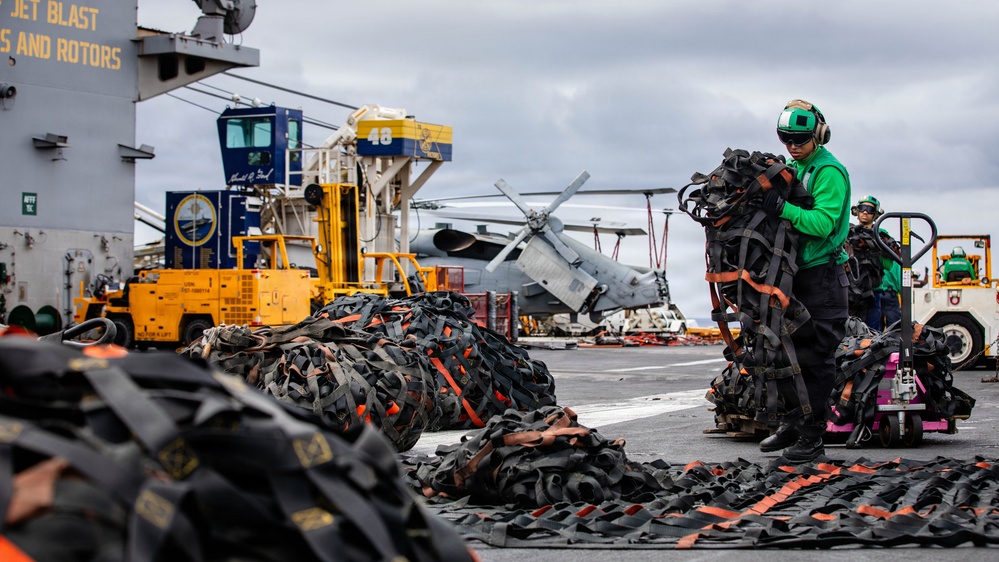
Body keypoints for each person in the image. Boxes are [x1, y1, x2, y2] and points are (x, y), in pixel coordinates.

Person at [757, 99, 851, 462]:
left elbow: (823, 224)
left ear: (819, 135)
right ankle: (795, 421)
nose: (792, 147)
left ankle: (812, 438)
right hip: (797, 275)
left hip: (824, 278)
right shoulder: (795, 166)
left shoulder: (829, 172)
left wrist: (783, 209)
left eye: (799, 139)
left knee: (814, 357)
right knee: (784, 350)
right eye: (786, 139)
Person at [853, 196, 902, 330]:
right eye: (862, 208)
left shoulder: (882, 236)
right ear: (856, 211)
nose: (865, 212)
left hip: (874, 291)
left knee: (873, 330)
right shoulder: (848, 233)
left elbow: (889, 264)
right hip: (852, 291)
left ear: (875, 214)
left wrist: (874, 252)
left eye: (869, 209)